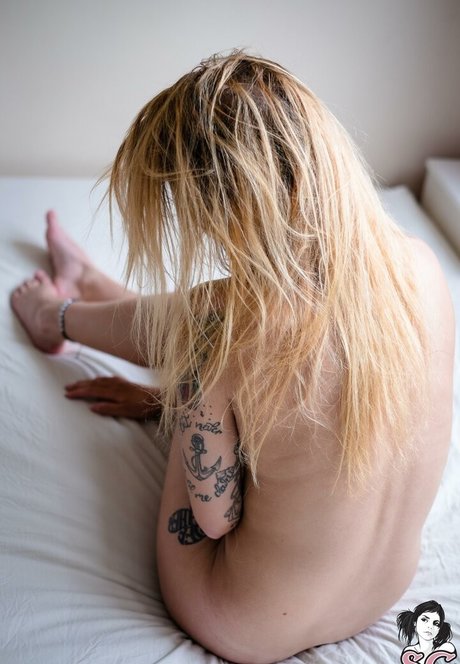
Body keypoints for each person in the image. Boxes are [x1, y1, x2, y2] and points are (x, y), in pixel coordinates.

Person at [10, 51, 455, 663]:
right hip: (381, 596)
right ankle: (89, 289)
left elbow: (215, 520)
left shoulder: (228, 329)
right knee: (221, 329)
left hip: (244, 622)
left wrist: (182, 403)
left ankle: (58, 317)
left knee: (214, 331)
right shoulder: (422, 269)